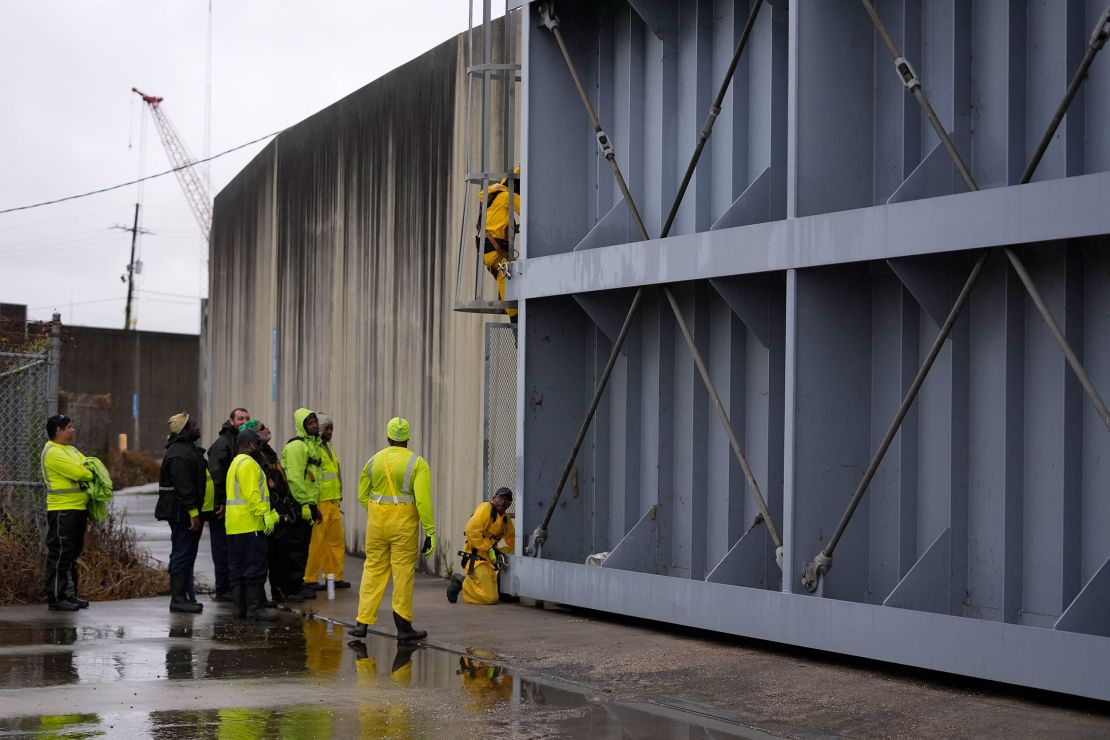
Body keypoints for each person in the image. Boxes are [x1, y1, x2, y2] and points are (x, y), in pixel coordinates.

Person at [348, 417, 436, 641]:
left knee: (373, 570)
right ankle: (404, 628)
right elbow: (423, 501)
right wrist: (430, 532)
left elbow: (361, 495)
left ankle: (362, 624)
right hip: (404, 525)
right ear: (407, 438)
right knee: (403, 573)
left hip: (377, 523)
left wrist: (378, 512)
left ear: (388, 437)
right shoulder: (417, 463)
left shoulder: (373, 460)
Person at [225, 428, 280, 621]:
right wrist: (265, 515)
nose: (260, 447)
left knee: (238, 569)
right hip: (250, 525)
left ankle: (240, 609)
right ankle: (255, 608)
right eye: (257, 444)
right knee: (254, 567)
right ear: (249, 445)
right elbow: (252, 495)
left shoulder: (235, 463)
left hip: (235, 526)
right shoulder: (248, 464)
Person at [40, 415, 93, 611]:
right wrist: (87, 471)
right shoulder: (52, 452)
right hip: (62, 510)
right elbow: (82, 472)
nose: (73, 430)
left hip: (77, 508)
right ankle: (56, 598)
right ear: (58, 431)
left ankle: (69, 594)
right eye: (69, 427)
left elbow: (90, 464)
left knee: (72, 552)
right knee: (60, 553)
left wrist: (87, 469)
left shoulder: (71, 450)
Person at [247, 420, 303, 603]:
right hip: (269, 511)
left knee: (284, 553)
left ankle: (285, 590)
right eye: (261, 428)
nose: (267, 429)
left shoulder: (268, 452)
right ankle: (277, 591)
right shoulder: (255, 457)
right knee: (273, 555)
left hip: (280, 508)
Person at [156, 412, 206, 613]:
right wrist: (193, 512)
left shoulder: (187, 449)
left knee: (186, 553)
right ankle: (178, 599)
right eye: (193, 424)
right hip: (181, 513)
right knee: (182, 554)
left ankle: (185, 597)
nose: (197, 427)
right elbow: (184, 487)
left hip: (185, 512)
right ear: (184, 429)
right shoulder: (179, 453)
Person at [206, 407, 250, 602]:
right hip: (224, 509)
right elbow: (217, 476)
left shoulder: (240, 443)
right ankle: (223, 589)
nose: (243, 421)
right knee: (222, 549)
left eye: (247, 418)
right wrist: (221, 502)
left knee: (233, 551)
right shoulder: (223, 444)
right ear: (231, 421)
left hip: (236, 510)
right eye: (240, 418)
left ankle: (231, 588)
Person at [281, 408, 324, 600]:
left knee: (302, 547)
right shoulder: (297, 447)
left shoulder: (313, 445)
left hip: (308, 504)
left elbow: (312, 479)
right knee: (295, 549)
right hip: (298, 505)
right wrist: (305, 504)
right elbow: (295, 479)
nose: (314, 426)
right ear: (302, 426)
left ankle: (298, 585)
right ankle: (292, 588)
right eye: (310, 423)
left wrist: (315, 506)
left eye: (315, 422)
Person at [447, 487, 516, 605]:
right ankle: (462, 582)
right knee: (490, 598)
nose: (503, 502)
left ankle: (502, 589)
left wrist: (515, 553)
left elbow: (513, 539)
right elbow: (471, 530)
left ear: (509, 504)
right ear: (494, 499)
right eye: (500, 498)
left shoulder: (505, 519)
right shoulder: (486, 508)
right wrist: (488, 548)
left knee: (514, 551)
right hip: (477, 558)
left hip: (490, 559)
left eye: (506, 500)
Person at [304, 414, 348, 590]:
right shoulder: (313, 449)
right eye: (327, 428)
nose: (330, 432)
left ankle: (335, 577)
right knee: (316, 543)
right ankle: (309, 578)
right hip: (320, 502)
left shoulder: (328, 448)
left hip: (333, 501)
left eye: (331, 428)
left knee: (335, 541)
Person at [476, 166, 521, 320]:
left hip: (486, 250)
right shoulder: (508, 196)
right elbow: (529, 210)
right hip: (496, 250)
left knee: (506, 282)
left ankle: (515, 320)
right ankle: (516, 325)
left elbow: (496, 222)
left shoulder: (492, 198)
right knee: (509, 284)